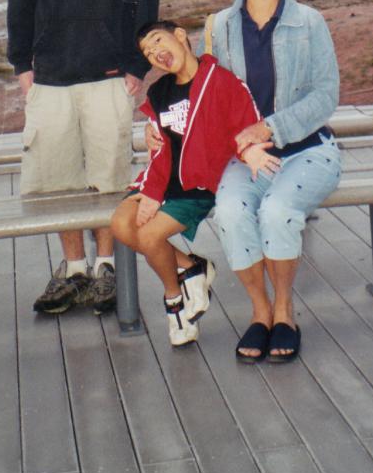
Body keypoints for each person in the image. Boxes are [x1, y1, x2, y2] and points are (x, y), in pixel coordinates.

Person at [7, 0, 160, 315]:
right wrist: (22, 63)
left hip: (109, 73)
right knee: (56, 179)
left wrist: (136, 65)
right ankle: (72, 270)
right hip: (50, 72)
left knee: (110, 176)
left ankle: (105, 267)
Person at [200, 0, 341, 363]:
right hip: (246, 157)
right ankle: (259, 312)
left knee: (278, 212)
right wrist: (160, 124)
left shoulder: (308, 21)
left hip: (307, 152)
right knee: (230, 211)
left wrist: (269, 130)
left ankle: (284, 309)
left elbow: (326, 95)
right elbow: (206, 96)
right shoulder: (220, 26)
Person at [111, 20, 273, 346]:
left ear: (181, 37)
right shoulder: (159, 92)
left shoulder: (221, 82)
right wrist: (153, 193)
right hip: (162, 178)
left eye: (159, 41)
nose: (156, 52)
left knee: (150, 234)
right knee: (121, 225)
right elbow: (159, 150)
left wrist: (251, 152)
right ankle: (191, 268)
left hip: (196, 186)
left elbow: (247, 125)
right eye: (148, 51)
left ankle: (175, 301)